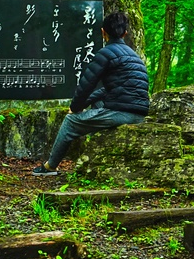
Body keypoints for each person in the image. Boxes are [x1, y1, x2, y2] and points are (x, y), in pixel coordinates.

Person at [32, 11, 149, 176]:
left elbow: (86, 85)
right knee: (97, 104)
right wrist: (85, 104)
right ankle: (97, 152)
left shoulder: (106, 53)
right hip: (139, 114)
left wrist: (75, 108)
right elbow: (106, 90)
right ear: (125, 33)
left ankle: (50, 167)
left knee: (70, 121)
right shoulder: (135, 57)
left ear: (103, 32)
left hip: (122, 112)